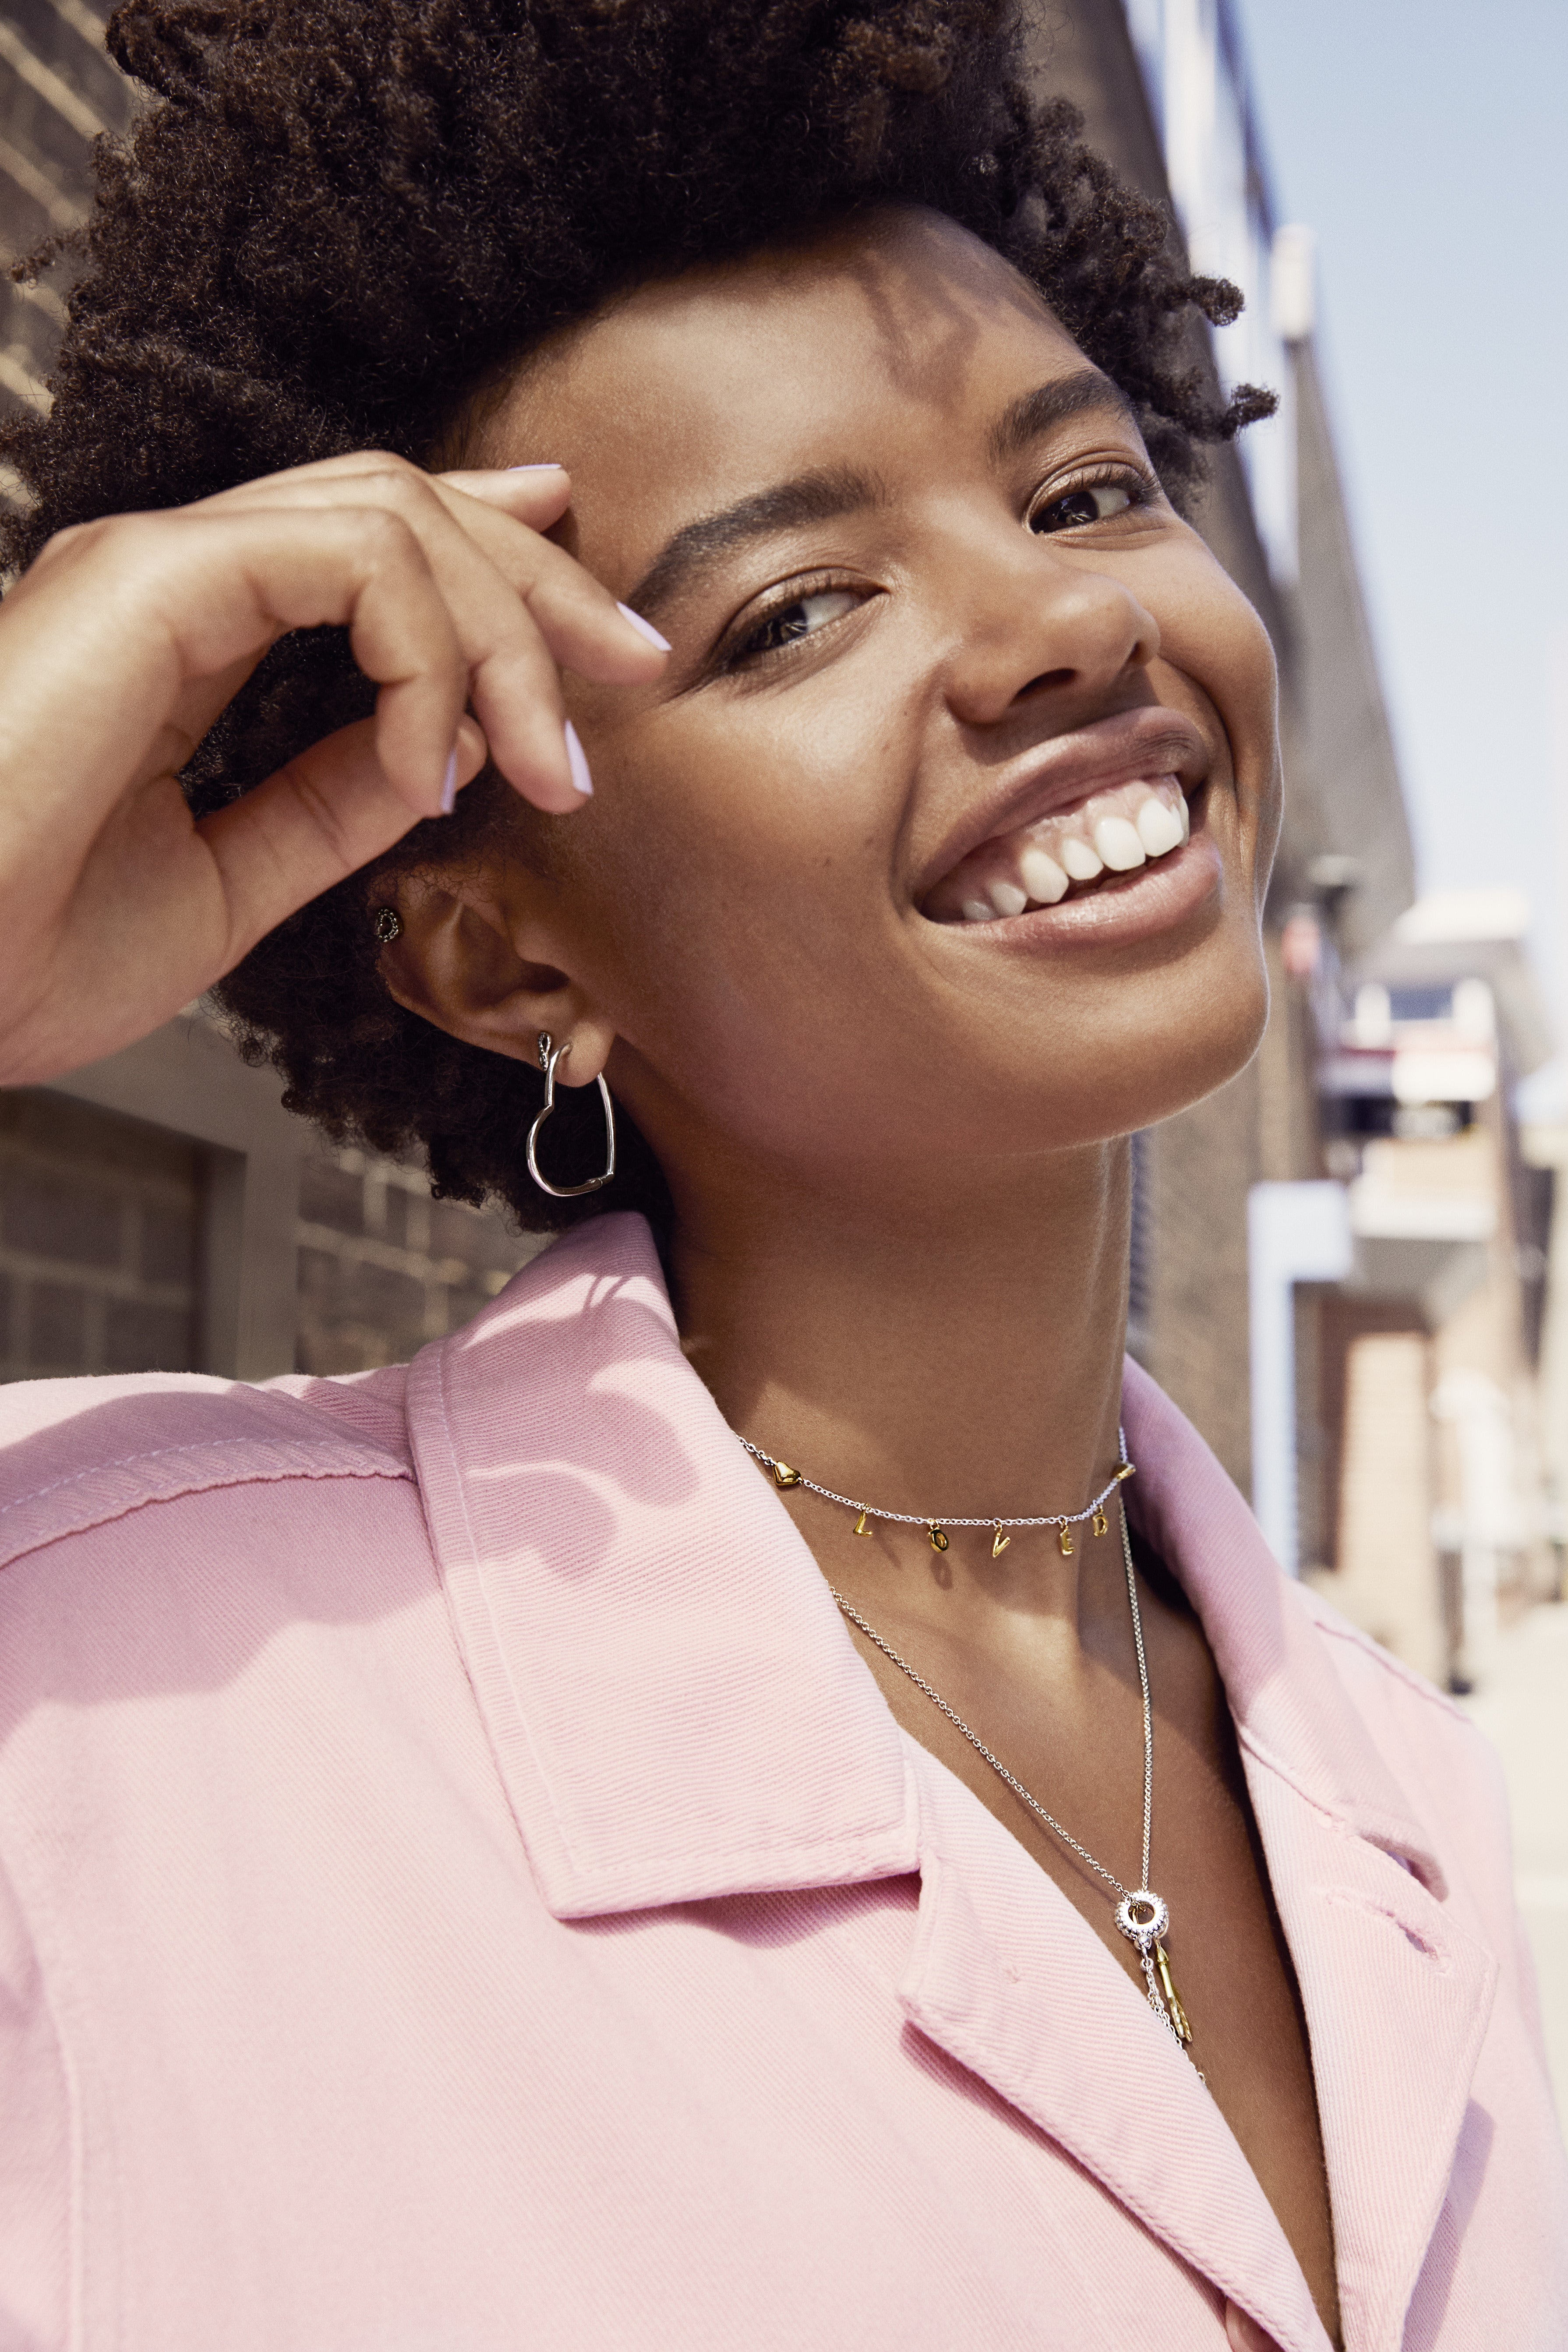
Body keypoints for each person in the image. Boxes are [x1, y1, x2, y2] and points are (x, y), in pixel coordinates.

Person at [0, 2, 1561, 2345]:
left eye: (1084, 490)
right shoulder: (102, 1677)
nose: (1066, 624)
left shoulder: (1403, 1797)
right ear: (498, 957)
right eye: (793, 613)